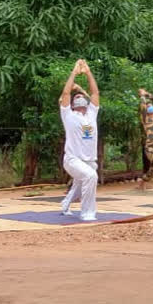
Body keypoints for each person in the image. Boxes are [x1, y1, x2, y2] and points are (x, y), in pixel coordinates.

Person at [59, 59, 100, 221]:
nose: (80, 99)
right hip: (72, 159)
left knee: (79, 183)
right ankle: (87, 213)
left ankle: (65, 204)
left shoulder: (91, 113)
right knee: (90, 177)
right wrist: (74, 73)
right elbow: (66, 94)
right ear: (74, 105)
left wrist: (88, 72)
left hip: (89, 159)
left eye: (82, 98)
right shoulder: (68, 115)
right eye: (77, 98)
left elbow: (95, 93)